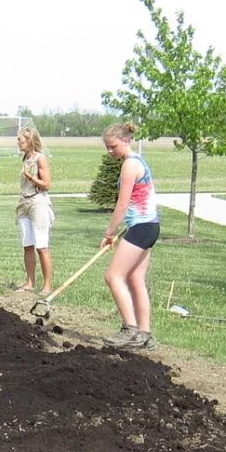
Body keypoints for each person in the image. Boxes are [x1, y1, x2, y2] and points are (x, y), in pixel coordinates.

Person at [100, 122, 160, 350]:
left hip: (142, 227)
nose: (110, 151)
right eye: (107, 147)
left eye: (113, 146)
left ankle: (130, 330)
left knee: (113, 276)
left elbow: (122, 204)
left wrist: (109, 233)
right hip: (149, 226)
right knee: (136, 280)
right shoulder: (138, 162)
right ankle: (145, 334)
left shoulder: (130, 165)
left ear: (126, 140)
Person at [16, 128, 54, 294]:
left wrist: (31, 177)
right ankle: (29, 282)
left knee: (42, 246)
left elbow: (46, 184)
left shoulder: (40, 158)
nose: (18, 143)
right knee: (27, 245)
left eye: (20, 140)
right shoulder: (25, 158)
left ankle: (47, 285)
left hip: (38, 203)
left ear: (30, 141)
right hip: (24, 202)